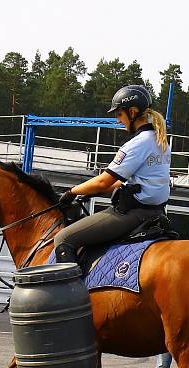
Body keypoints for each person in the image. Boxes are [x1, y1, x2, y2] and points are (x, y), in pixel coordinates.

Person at [52, 85, 171, 264]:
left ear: (132, 112)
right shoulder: (161, 141)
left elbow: (103, 181)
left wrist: (71, 192)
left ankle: (70, 291)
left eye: (119, 114)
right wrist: (89, 192)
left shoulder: (137, 144)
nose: (117, 120)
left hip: (134, 213)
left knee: (63, 238)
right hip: (157, 212)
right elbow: (128, 182)